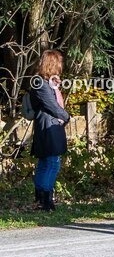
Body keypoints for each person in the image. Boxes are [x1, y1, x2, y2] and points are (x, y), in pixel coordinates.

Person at [28, 50, 70, 212]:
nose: (60, 67)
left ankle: (42, 199)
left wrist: (55, 86)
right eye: (58, 64)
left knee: (46, 162)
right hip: (47, 126)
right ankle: (45, 201)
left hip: (47, 125)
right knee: (52, 163)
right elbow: (52, 105)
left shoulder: (45, 82)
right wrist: (66, 116)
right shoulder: (40, 83)